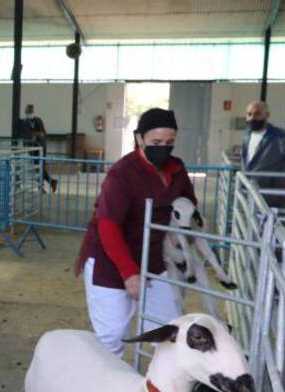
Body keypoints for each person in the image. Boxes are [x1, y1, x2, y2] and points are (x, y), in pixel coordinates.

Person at [75, 108, 195, 357]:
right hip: (111, 263)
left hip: (155, 260)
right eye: (156, 142)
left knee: (168, 332)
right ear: (140, 138)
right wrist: (128, 272)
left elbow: (188, 203)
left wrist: (180, 230)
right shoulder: (122, 174)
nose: (163, 148)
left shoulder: (177, 168)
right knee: (111, 336)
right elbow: (107, 225)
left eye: (169, 143)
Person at [240, 100, 285, 176]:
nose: (252, 118)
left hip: (268, 186)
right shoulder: (246, 135)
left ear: (266, 115)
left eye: (257, 114)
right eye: (249, 114)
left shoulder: (279, 136)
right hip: (246, 184)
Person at [18, 103, 57, 193]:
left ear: (33, 111)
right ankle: (50, 183)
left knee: (40, 166)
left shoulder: (38, 120)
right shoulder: (23, 122)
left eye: (30, 111)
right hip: (31, 148)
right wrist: (32, 136)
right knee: (38, 167)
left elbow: (44, 133)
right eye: (27, 111)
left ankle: (44, 186)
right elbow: (24, 135)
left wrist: (38, 134)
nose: (29, 113)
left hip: (40, 147)